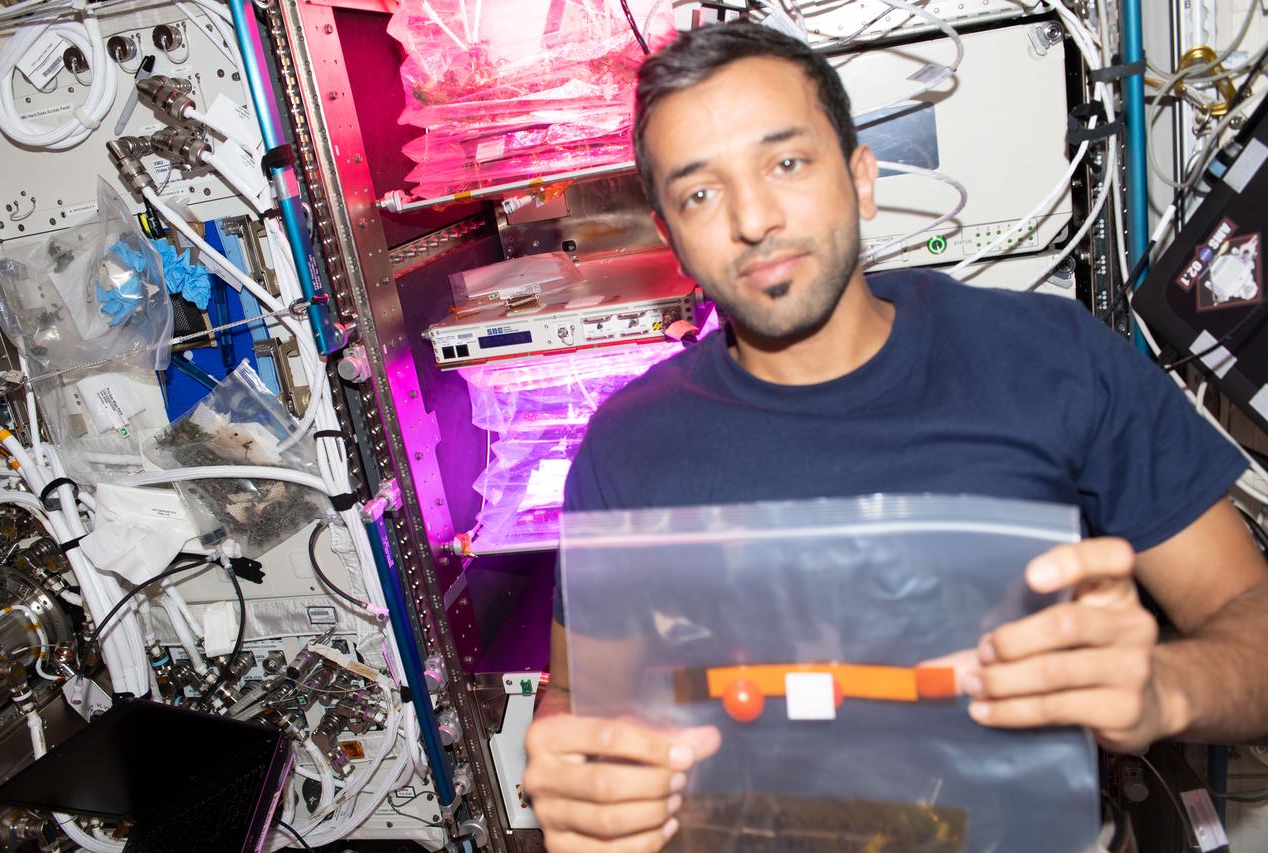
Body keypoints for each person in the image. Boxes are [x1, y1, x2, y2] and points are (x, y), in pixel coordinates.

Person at [522, 20, 1268, 853]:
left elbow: (1251, 613)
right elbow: (579, 697)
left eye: (787, 162)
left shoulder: (1051, 361)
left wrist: (1162, 688)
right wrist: (577, 773)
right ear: (672, 240)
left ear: (862, 177)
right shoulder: (627, 447)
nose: (754, 218)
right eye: (700, 192)